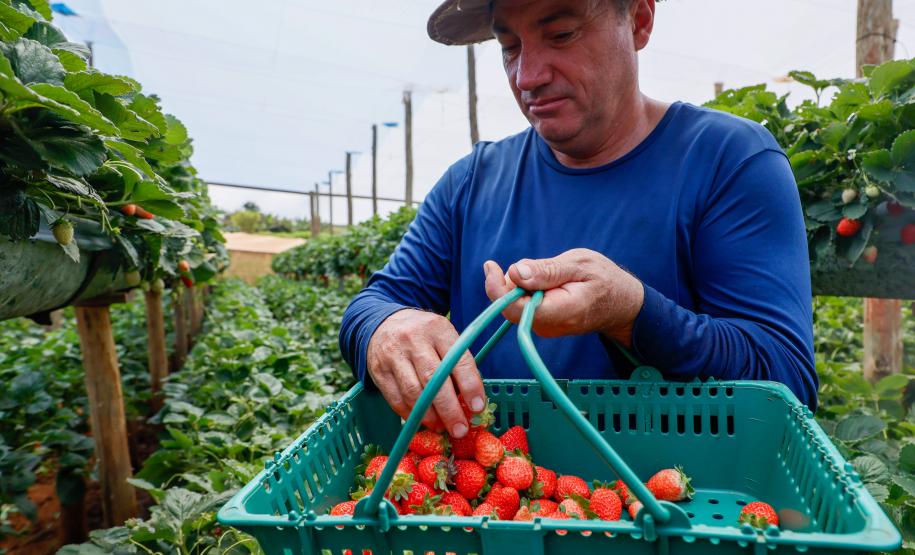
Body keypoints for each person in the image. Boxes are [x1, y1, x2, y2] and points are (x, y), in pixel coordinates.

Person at [339, 0, 817, 440]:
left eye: (562, 34)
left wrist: (632, 313)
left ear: (639, 20)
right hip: (491, 491)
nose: (528, 76)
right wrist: (388, 327)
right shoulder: (471, 182)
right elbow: (374, 305)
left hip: (668, 493)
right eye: (510, 47)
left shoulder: (726, 161)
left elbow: (787, 382)